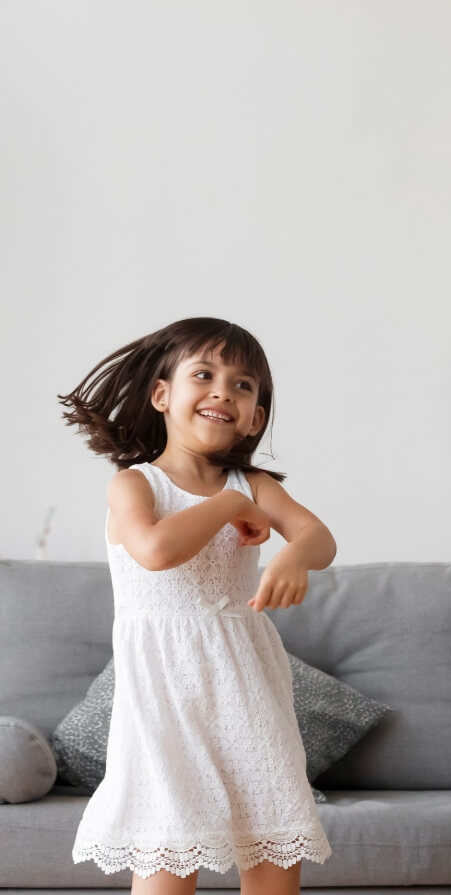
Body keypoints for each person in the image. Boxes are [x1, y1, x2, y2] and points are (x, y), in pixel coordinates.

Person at [59, 317, 335, 895]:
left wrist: (293, 557)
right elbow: (157, 551)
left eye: (243, 386)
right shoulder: (135, 486)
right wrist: (227, 504)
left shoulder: (257, 483)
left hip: (248, 689)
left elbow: (319, 539)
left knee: (271, 848)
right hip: (164, 701)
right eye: (204, 375)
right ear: (162, 395)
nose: (222, 392)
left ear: (255, 417)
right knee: (167, 858)